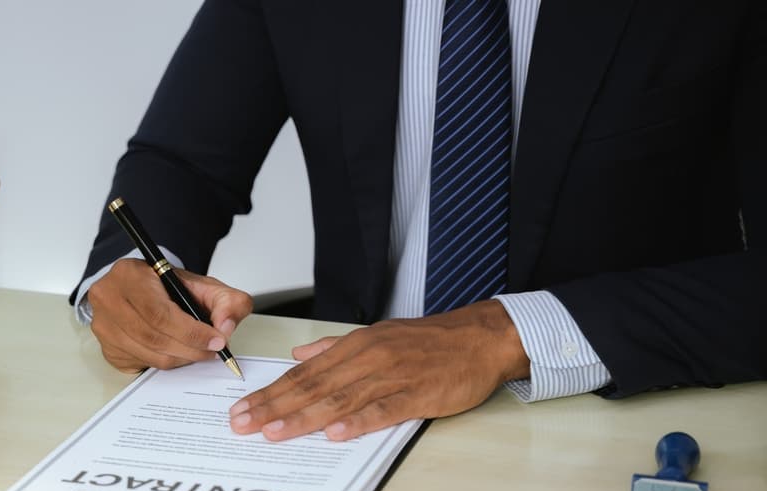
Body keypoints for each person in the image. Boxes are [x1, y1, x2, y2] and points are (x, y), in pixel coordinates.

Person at [71, 0, 766, 443]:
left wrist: (505, 333)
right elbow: (180, 161)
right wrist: (124, 275)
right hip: (348, 419)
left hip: (613, 416)